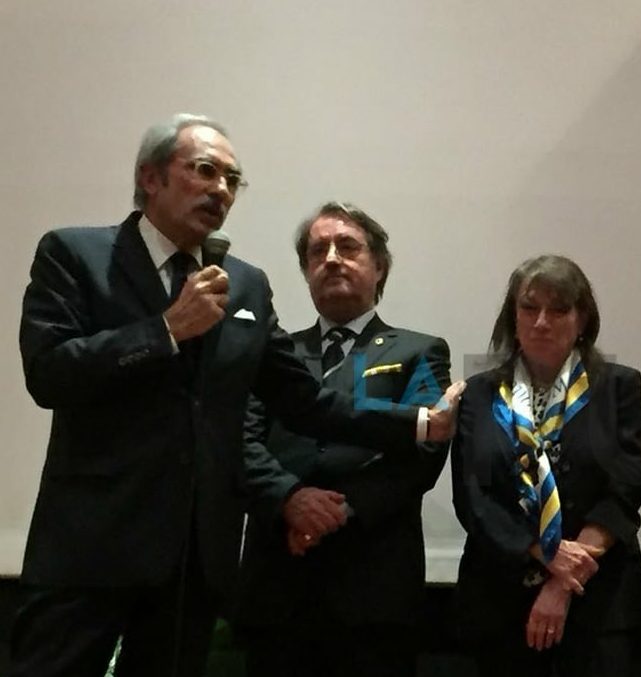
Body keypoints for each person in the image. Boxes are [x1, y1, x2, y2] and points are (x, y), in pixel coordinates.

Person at [13, 115, 459, 677]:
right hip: (91, 548)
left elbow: (305, 401)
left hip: (195, 560)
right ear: (150, 177)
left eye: (231, 179)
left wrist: (419, 424)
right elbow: (49, 374)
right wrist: (165, 330)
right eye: (205, 171)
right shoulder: (76, 254)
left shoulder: (243, 283)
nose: (220, 190)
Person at [234, 202, 451, 676]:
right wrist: (290, 499)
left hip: (373, 589)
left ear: (380, 267)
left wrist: (338, 511)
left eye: (348, 247)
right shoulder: (272, 351)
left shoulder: (419, 351)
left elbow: (425, 449)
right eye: (318, 251)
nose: (331, 259)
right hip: (277, 583)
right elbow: (241, 442)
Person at [449, 254, 641, 676]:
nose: (542, 322)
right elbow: (473, 499)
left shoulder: (618, 386)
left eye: (558, 310)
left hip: (599, 600)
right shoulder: (479, 394)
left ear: (582, 320)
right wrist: (543, 552)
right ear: (513, 317)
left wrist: (563, 580)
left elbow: (626, 487)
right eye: (529, 307)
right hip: (499, 601)